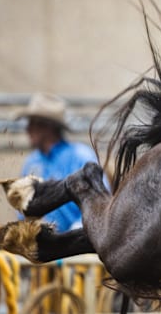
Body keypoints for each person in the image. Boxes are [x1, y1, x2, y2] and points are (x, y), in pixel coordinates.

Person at [16, 92, 99, 232]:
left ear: (48, 127)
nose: (27, 129)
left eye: (32, 123)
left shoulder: (81, 157)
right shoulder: (31, 163)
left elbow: (99, 202)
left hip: (79, 242)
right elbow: (23, 210)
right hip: (44, 246)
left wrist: (79, 228)